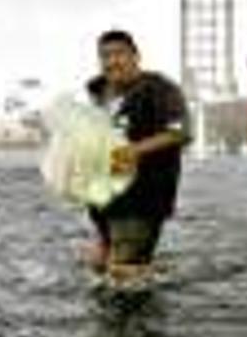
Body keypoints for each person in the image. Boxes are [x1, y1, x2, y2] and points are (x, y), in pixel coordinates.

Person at [81, 30, 191, 282]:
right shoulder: (97, 92)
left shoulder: (159, 88)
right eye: (105, 56)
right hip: (105, 200)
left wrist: (133, 151)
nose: (112, 61)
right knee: (101, 268)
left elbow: (180, 132)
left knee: (125, 275)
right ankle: (149, 272)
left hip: (144, 197)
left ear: (136, 56)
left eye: (119, 54)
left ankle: (145, 308)